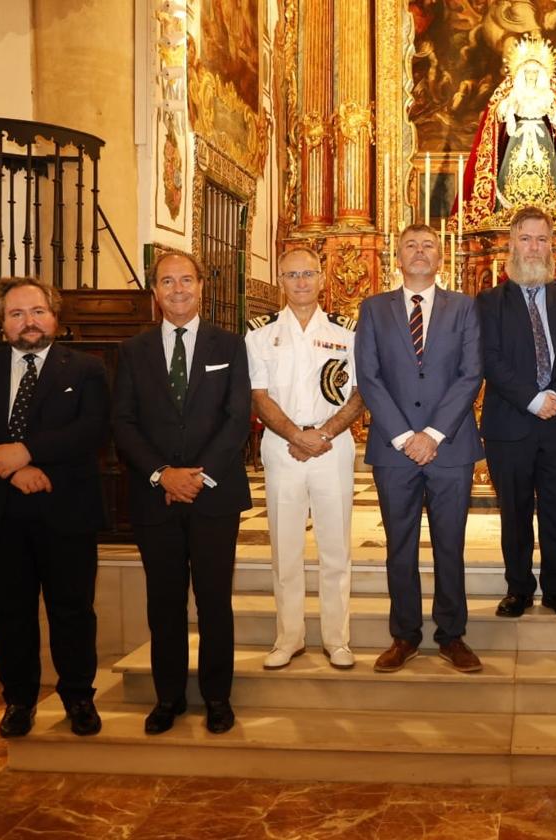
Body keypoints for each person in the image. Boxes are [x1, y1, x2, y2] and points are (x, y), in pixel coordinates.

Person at [0, 277, 109, 739]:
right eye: (16, 314)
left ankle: (78, 697)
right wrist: (14, 469)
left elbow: (92, 430)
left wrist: (27, 450)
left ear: (54, 315)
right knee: (9, 615)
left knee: (73, 611)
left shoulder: (86, 369)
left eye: (37, 311)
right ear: (1, 321)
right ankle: (18, 700)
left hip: (66, 510)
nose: (28, 322)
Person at [112, 248, 251, 735]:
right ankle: (168, 696)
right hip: (155, 497)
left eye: (185, 280)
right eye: (167, 282)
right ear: (155, 292)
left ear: (200, 287)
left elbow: (237, 419)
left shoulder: (230, 346)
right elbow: (123, 423)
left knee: (214, 601)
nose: (177, 290)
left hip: (214, 495)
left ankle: (217, 696)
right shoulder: (133, 351)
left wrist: (196, 475)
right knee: (164, 602)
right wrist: (162, 474)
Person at [355, 224, 484, 674]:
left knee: (450, 545)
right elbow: (368, 377)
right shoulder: (373, 309)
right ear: (398, 256)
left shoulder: (464, 308)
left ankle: (452, 635)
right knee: (400, 547)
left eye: (428, 245)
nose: (419, 252)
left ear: (441, 258)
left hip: (450, 448)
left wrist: (433, 434)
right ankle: (404, 635)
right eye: (410, 245)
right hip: (394, 451)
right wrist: (405, 437)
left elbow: (471, 374)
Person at [246, 247, 365, 671]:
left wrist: (324, 433)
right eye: (291, 274)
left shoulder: (347, 331)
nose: (300, 282)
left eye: (308, 274)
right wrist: (297, 435)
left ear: (322, 278)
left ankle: (337, 639)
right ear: (279, 279)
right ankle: (289, 637)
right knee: (286, 548)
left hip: (332, 446)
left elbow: (360, 392)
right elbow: (259, 395)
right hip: (282, 447)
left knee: (335, 548)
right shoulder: (259, 334)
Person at [477, 205, 556, 618]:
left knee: (555, 508)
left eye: (541, 239)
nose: (533, 247)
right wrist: (532, 398)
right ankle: (518, 588)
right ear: (512, 244)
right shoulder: (489, 301)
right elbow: (489, 359)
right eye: (526, 238)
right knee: (514, 512)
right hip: (509, 424)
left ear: (552, 246)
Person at [455, 33, 556, 229]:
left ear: (542, 75)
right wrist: (506, 113)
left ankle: (550, 211)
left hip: (543, 141)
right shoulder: (512, 95)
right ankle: (508, 213)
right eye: (528, 73)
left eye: (535, 73)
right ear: (521, 74)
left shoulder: (548, 96)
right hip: (516, 142)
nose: (531, 76)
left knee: (548, 177)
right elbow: (498, 116)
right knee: (510, 177)